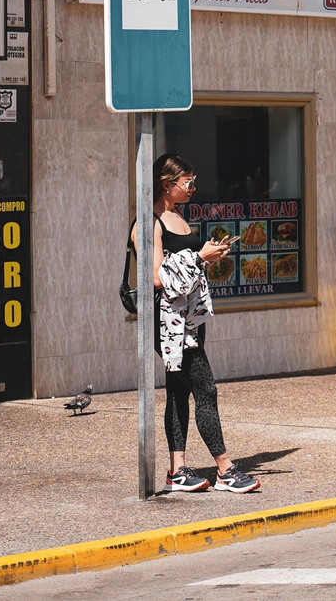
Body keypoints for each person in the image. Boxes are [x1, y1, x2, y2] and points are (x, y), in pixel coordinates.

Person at [130, 154, 260, 493]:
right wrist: (198, 257)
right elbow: (155, 277)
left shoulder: (177, 215)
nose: (192, 188)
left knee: (179, 391)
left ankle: (177, 471)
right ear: (166, 184)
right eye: (187, 182)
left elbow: (185, 266)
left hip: (189, 318)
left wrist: (207, 257)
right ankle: (225, 469)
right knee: (206, 389)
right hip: (168, 324)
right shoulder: (148, 223)